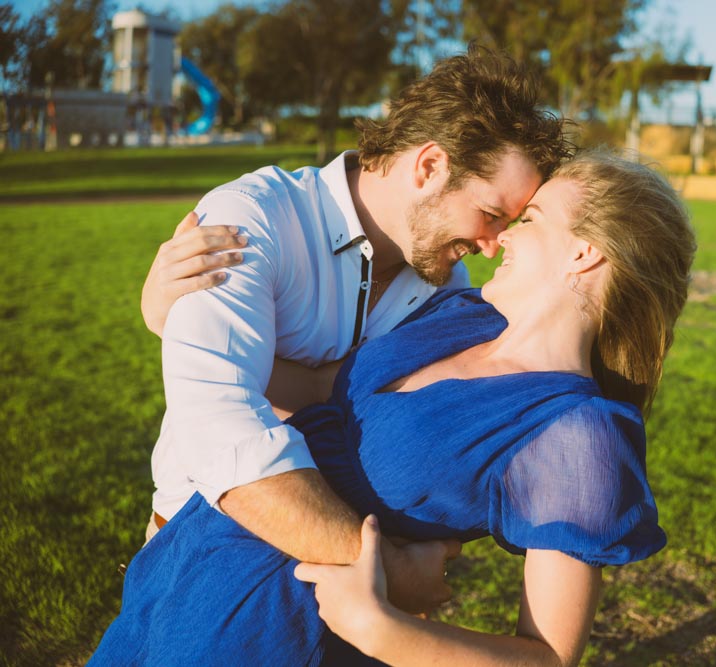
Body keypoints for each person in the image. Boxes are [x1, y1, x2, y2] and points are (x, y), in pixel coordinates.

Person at [91, 151, 697, 666]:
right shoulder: (460, 316)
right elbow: (314, 389)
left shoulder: (577, 430)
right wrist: (181, 324)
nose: (501, 238)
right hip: (185, 566)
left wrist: (383, 630)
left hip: (282, 630)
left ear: (584, 253)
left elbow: (548, 656)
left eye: (530, 219)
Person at [140, 45, 573, 613]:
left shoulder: (447, 281)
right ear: (429, 166)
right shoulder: (253, 221)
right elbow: (222, 434)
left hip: (349, 580)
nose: (493, 247)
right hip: (204, 555)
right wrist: (391, 574)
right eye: (491, 215)